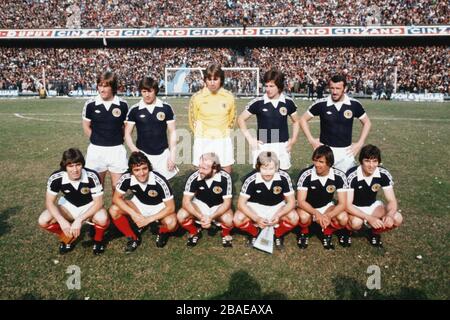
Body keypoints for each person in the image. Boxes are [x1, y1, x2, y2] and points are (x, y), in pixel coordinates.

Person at [38, 148, 109, 255]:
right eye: (70, 166)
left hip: (89, 206)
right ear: (64, 166)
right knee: (43, 220)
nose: (75, 169)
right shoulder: (56, 177)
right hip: (68, 206)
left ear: (82, 164)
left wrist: (79, 220)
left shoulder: (92, 176)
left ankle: (98, 240)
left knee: (102, 218)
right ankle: (67, 236)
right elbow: (49, 202)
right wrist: (62, 222)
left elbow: (98, 203)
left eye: (78, 165)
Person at [299, 74, 372, 173]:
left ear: (345, 88)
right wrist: (312, 140)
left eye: (338, 88)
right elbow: (303, 119)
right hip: (325, 151)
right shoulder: (321, 104)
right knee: (323, 183)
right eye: (332, 88)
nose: (334, 91)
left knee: (346, 185)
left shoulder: (354, 104)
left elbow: (367, 122)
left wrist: (360, 143)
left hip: (346, 152)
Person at [109, 152, 178, 251]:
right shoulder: (126, 178)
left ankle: (161, 230)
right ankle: (133, 237)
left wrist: (149, 219)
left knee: (172, 223)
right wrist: (133, 214)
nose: (141, 173)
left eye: (144, 168)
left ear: (149, 167)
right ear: (131, 171)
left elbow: (171, 207)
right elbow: (116, 198)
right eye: (136, 170)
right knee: (113, 210)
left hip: (159, 207)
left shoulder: (160, 181)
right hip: (139, 205)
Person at [238, 69, 300, 170]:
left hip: (282, 145)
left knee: (282, 177)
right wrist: (250, 139)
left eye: (271, 86)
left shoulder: (288, 102)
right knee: (261, 178)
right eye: (266, 86)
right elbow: (241, 119)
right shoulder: (258, 102)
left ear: (279, 87)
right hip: (263, 145)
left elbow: (296, 121)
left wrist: (293, 140)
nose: (268, 89)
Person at [233, 151, 298, 249]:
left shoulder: (284, 177)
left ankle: (278, 234)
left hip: (277, 207)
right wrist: (256, 218)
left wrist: (278, 215)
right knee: (237, 219)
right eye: (264, 168)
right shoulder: (250, 179)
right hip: (256, 207)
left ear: (276, 167)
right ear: (258, 167)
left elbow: (292, 202)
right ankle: (254, 233)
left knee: (294, 218)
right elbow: (241, 204)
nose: (267, 172)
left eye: (271, 168)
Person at [346, 145, 403, 247]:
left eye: (375, 161)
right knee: (355, 223)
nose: (371, 165)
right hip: (354, 207)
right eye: (367, 161)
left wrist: (389, 215)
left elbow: (391, 200)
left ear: (378, 162)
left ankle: (374, 233)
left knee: (397, 218)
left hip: (372, 206)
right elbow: (348, 205)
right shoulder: (352, 175)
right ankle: (346, 232)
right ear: (361, 161)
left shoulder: (383, 174)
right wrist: (369, 218)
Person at [82, 71, 129, 192]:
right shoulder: (90, 104)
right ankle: (98, 210)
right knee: (96, 188)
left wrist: (116, 139)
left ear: (113, 87)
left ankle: (116, 210)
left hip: (117, 150)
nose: (102, 89)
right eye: (100, 85)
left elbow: (126, 128)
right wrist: (98, 139)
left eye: (106, 86)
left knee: (118, 189)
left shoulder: (123, 105)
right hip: (96, 151)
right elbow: (86, 126)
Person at [296, 145, 349, 250]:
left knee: (343, 218)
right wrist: (316, 213)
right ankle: (304, 233)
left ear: (329, 163)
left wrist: (328, 216)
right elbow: (301, 201)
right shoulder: (306, 174)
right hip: (308, 207)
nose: (316, 165)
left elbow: (343, 203)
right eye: (315, 161)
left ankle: (327, 233)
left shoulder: (339, 176)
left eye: (321, 162)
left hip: (326, 206)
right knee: (303, 217)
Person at [125, 77, 178, 180]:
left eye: (150, 91)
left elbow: (172, 132)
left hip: (163, 154)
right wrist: (135, 151)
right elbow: (127, 134)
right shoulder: (135, 110)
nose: (147, 95)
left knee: (164, 186)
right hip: (143, 153)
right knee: (143, 186)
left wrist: (172, 156)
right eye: (144, 91)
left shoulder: (166, 108)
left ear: (155, 91)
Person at [177, 153, 234, 247]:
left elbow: (227, 203)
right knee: (181, 215)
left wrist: (211, 217)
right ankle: (194, 232)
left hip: (218, 206)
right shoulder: (193, 177)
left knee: (229, 220)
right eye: (199, 167)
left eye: (204, 168)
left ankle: (225, 234)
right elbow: (185, 202)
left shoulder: (225, 177)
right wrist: (201, 217)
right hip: (200, 205)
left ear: (215, 169)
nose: (200, 171)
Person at [189, 64, 236, 173]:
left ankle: (224, 190)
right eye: (209, 79)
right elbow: (192, 120)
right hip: (203, 139)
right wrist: (201, 135)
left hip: (223, 139)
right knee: (202, 172)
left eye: (215, 79)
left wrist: (223, 133)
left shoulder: (229, 97)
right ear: (205, 80)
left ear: (221, 80)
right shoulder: (197, 97)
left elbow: (232, 119)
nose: (212, 82)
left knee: (226, 171)